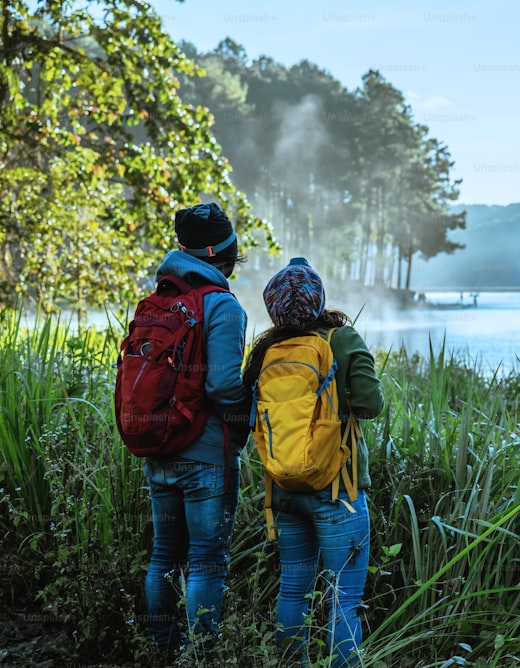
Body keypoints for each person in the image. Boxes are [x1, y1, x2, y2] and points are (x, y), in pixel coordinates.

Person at [243, 257, 384, 667]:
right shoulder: (342, 338)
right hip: (339, 491)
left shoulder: (266, 350)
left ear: (273, 308)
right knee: (344, 600)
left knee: (292, 590)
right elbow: (372, 405)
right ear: (318, 299)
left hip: (284, 489)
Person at [143, 202, 250, 662]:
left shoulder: (158, 301)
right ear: (224, 257)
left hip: (159, 448)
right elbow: (224, 385)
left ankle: (162, 652)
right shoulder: (221, 305)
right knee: (206, 559)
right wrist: (246, 420)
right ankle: (203, 657)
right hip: (205, 457)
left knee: (164, 554)